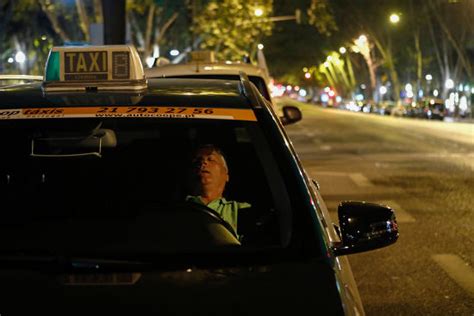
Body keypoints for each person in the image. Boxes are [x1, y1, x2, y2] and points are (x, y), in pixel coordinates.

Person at [186, 144, 250, 235]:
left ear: (226, 175)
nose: (203, 162)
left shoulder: (242, 211)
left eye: (210, 159)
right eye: (197, 161)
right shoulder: (173, 210)